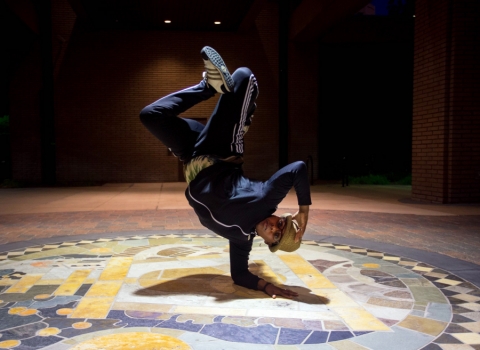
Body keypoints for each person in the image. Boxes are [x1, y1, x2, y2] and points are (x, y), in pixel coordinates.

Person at [140, 46, 311, 299]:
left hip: (192, 157)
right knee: (244, 77)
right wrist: (304, 210)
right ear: (278, 216)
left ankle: (210, 87)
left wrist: (267, 286)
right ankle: (234, 117)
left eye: (275, 235)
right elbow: (298, 168)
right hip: (221, 151)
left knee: (150, 116)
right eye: (280, 224)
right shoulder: (266, 200)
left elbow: (239, 275)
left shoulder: (242, 238)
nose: (274, 227)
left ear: (268, 242)